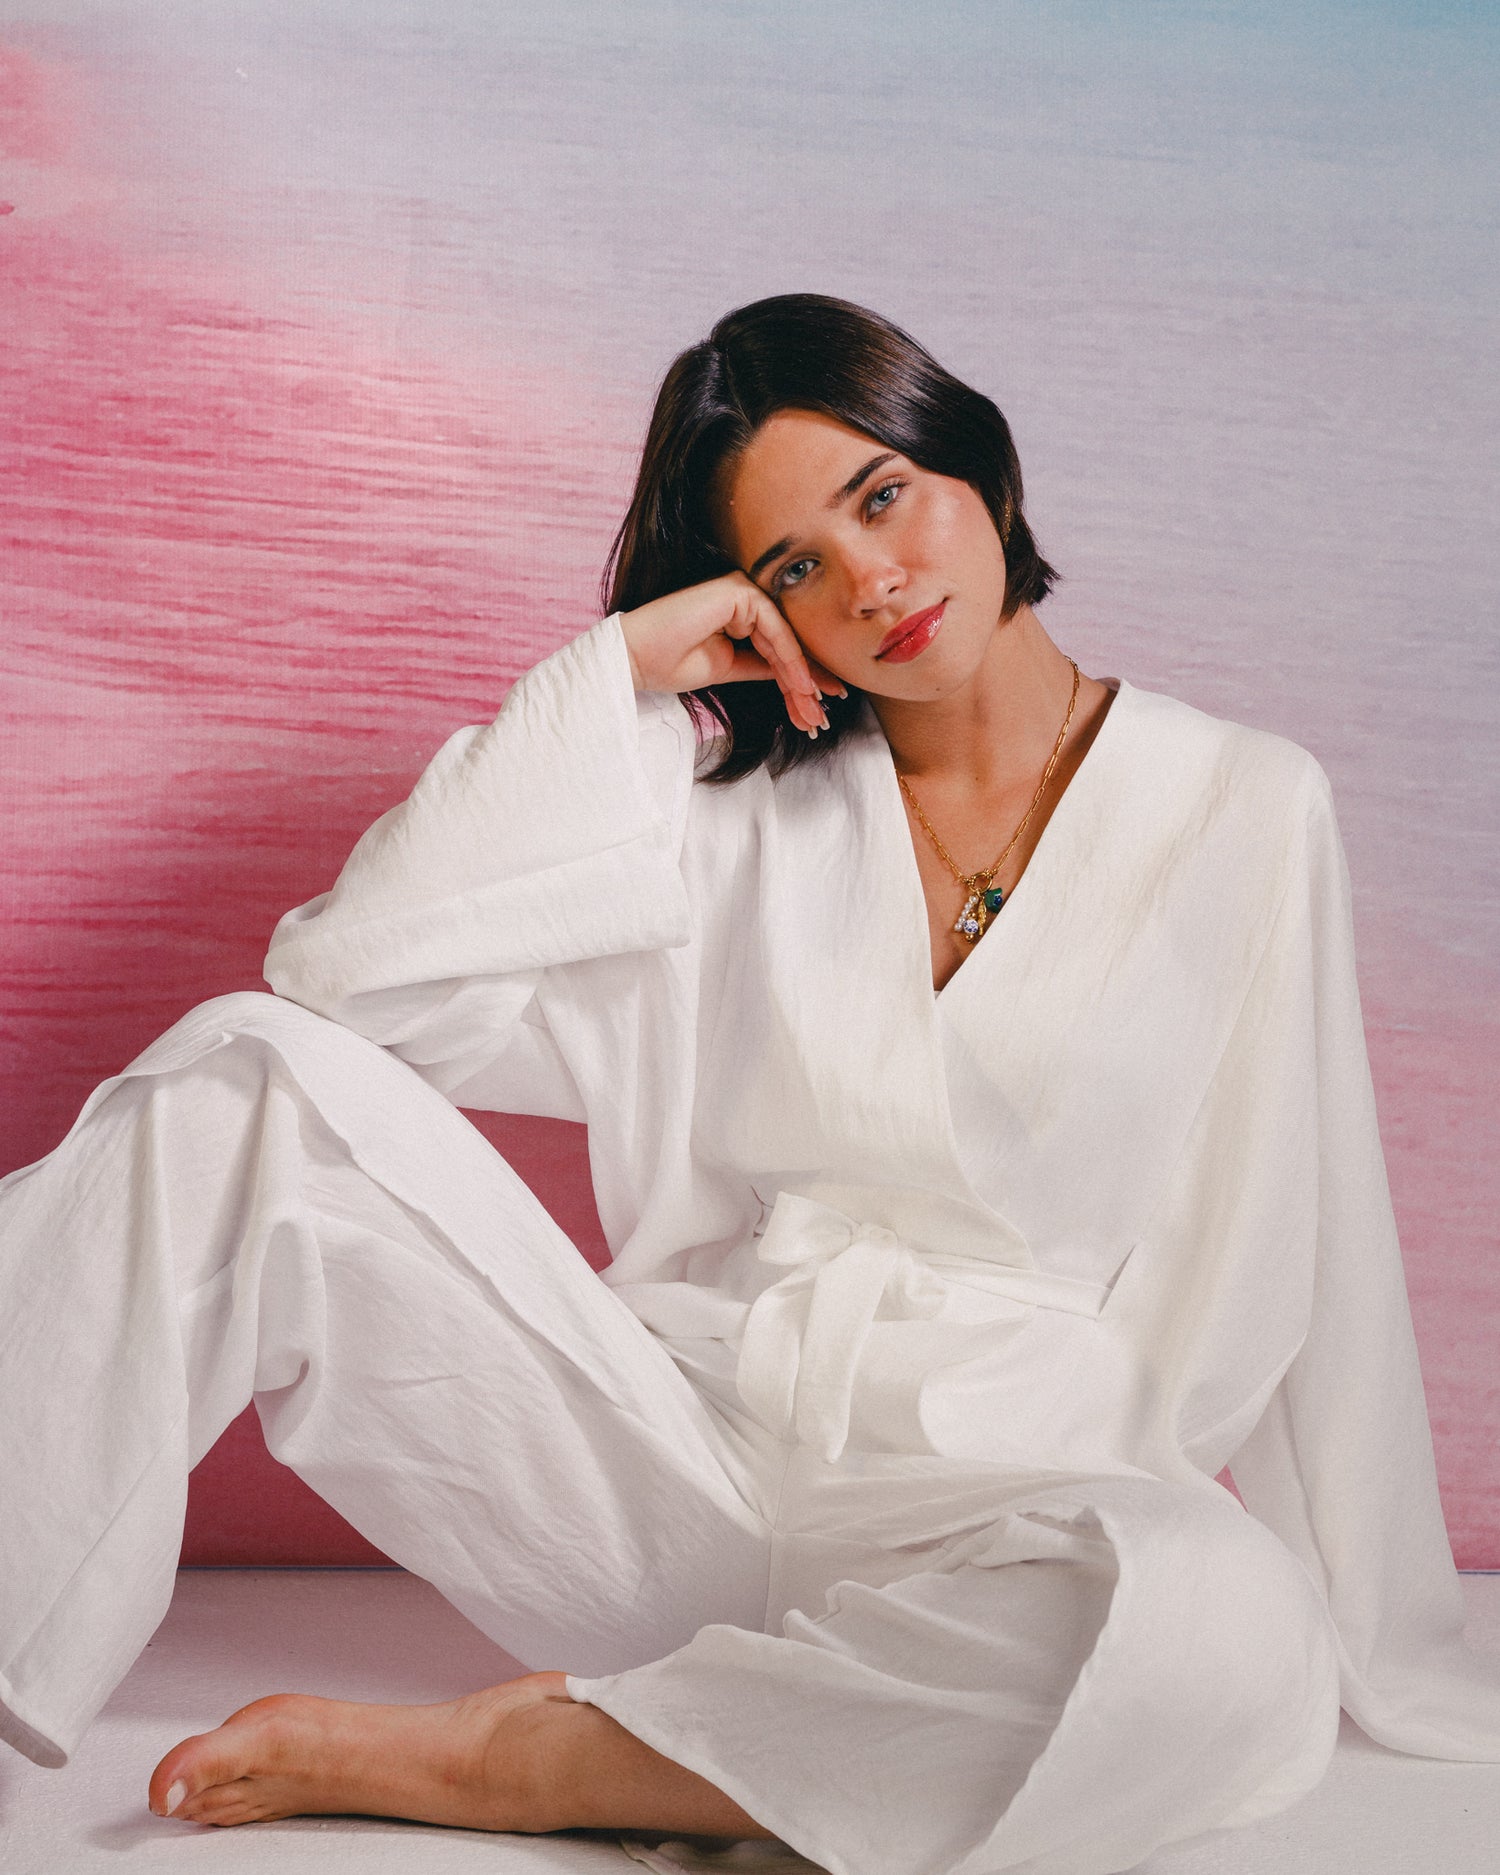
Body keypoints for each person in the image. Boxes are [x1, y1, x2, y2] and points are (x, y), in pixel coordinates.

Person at [2, 292, 1497, 1875]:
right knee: (239, 1080)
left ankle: (528, 1761)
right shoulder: (716, 817)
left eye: (883, 496)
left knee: (1236, 1635)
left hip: (1011, 1512)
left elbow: (1320, 1234)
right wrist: (619, 677)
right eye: (794, 566)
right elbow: (342, 978)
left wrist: (1382, 1627)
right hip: (673, 1477)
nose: (872, 581)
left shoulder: (1245, 806)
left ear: (975, 463)